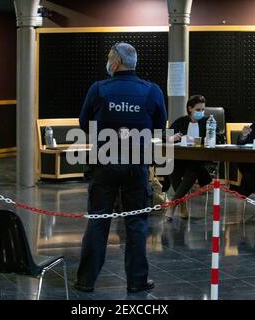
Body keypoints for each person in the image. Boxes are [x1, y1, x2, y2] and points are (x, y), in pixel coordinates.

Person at [74, 42, 167, 293]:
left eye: (108, 59)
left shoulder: (99, 89)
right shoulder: (152, 90)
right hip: (137, 166)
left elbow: (84, 123)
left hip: (104, 164)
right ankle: (137, 281)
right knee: (136, 223)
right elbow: (159, 126)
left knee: (98, 221)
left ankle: (86, 281)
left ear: (114, 63)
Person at [164, 95, 213, 221]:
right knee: (170, 166)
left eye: (203, 109)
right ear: (190, 109)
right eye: (198, 110)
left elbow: (217, 139)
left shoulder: (208, 122)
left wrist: (197, 140)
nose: (201, 112)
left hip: (199, 161)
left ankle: (173, 205)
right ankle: (182, 202)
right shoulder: (181, 121)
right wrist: (172, 137)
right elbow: (166, 135)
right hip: (181, 160)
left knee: (193, 168)